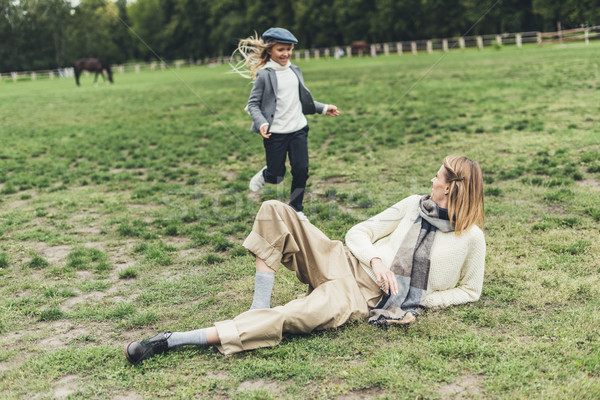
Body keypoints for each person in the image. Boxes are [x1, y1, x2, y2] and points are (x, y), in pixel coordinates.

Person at [125, 156, 486, 364]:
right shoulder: (413, 204)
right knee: (274, 210)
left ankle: (172, 340)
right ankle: (257, 306)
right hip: (343, 260)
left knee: (291, 317)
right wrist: (376, 260)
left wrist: (422, 299)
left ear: (452, 188)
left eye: (438, 176)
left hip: (364, 298)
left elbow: (470, 291)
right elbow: (359, 232)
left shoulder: (470, 239)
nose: (431, 178)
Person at [231, 27, 340, 220]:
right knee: (277, 175)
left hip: (298, 128)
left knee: (301, 169)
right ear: (270, 50)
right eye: (281, 49)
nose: (286, 53)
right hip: (275, 133)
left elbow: (302, 101)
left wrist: (324, 108)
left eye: (289, 49)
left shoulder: (294, 70)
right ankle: (267, 174)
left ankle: (296, 208)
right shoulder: (265, 74)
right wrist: (262, 122)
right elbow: (253, 104)